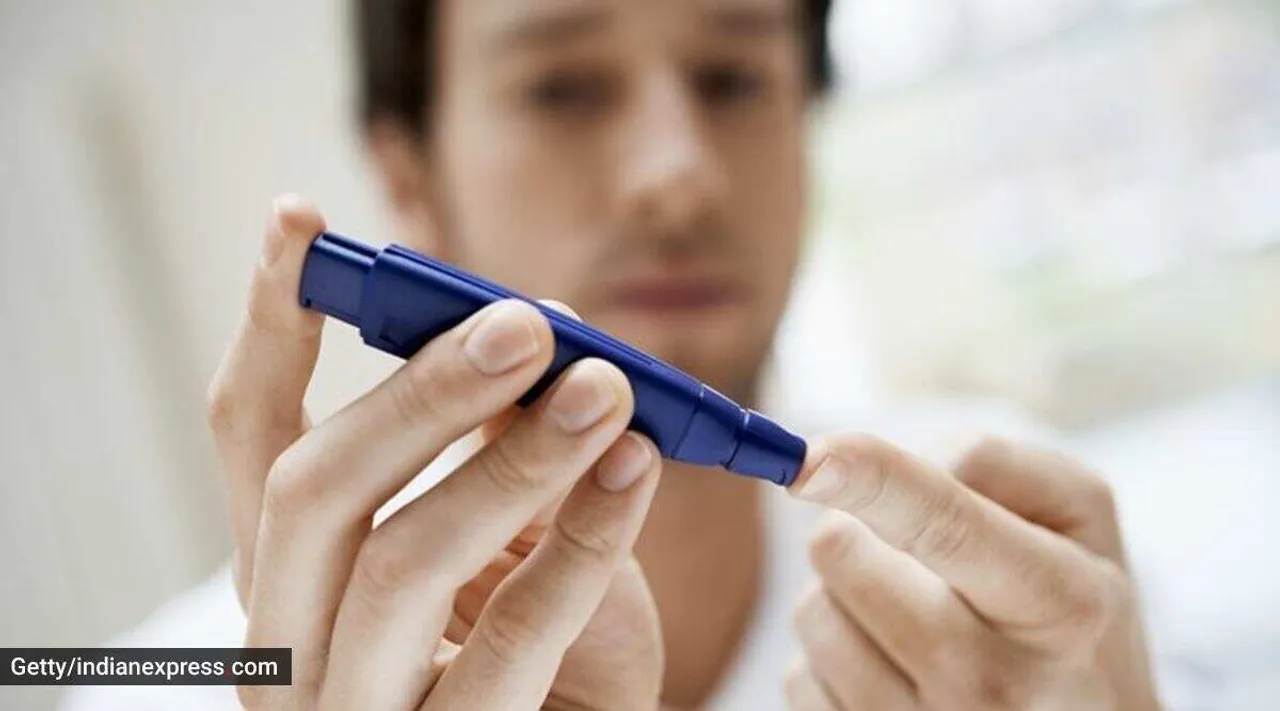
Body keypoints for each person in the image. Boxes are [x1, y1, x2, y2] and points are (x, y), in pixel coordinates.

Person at [66, 0, 1165, 709]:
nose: (672, 173)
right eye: (564, 89)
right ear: (408, 175)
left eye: (730, 78)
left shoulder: (1027, 589)